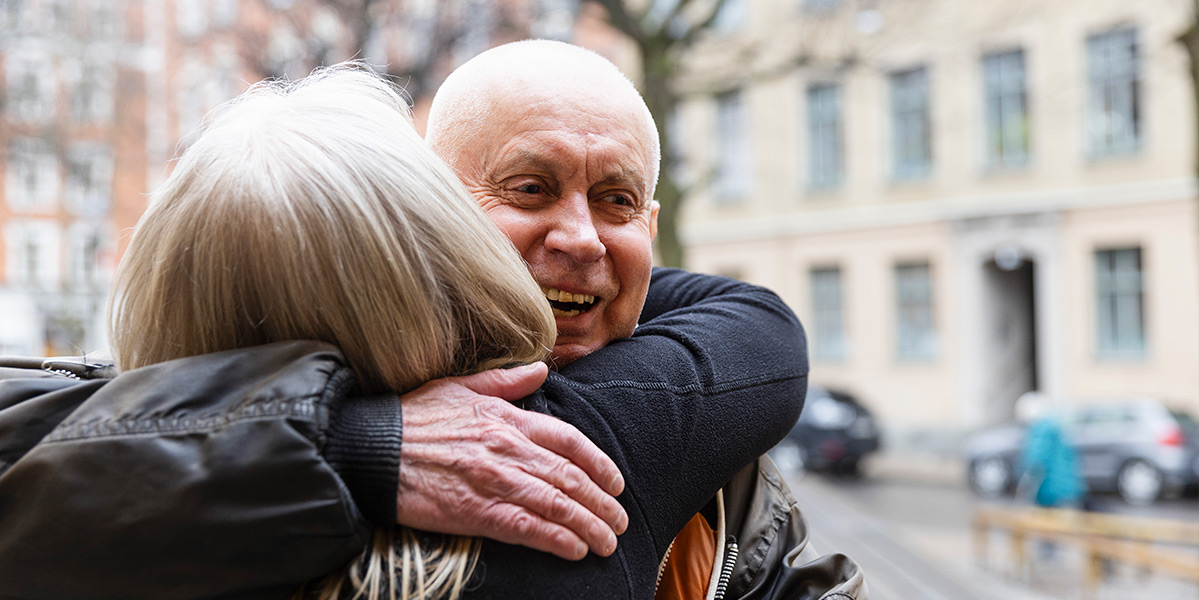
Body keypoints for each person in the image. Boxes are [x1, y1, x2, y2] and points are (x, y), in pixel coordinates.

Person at [0, 42, 866, 599]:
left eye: (618, 201)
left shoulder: (117, 457)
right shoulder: (613, 441)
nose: (579, 236)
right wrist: (352, 443)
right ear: (436, 219)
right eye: (529, 188)